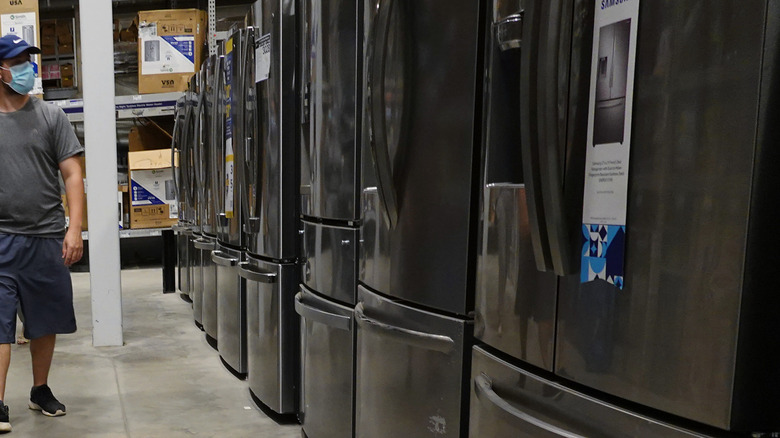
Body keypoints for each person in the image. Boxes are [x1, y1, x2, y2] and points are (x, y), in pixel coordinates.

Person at [0, 34, 84, 433]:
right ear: (0, 70)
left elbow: (72, 174)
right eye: (17, 62)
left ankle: (39, 390)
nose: (27, 69)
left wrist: (75, 229)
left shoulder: (51, 116)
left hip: (47, 236)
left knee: (44, 321)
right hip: (1, 240)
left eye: (28, 60)